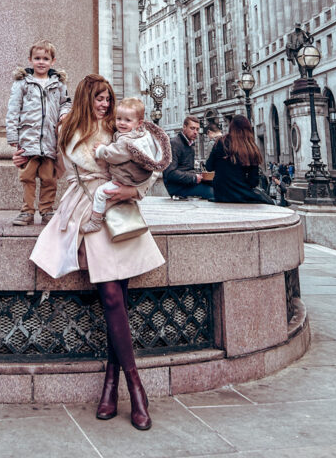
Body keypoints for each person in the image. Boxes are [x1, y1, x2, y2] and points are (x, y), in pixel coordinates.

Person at [30, 75, 163, 431]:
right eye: (99, 98)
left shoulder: (122, 128)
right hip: (87, 210)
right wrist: (23, 159)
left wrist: (133, 193)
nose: (105, 105)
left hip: (121, 212)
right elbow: (54, 169)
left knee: (120, 295)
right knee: (110, 294)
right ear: (86, 98)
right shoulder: (67, 129)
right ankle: (133, 388)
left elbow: (148, 166)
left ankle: (115, 384)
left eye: (108, 99)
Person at [82, 97, 171, 233]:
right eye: (119, 119)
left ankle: (95, 221)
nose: (122, 123)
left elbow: (113, 154)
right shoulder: (140, 135)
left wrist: (100, 150)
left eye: (127, 120)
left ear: (139, 123)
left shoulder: (127, 141)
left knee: (100, 193)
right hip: (133, 178)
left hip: (125, 178)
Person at [6, 40, 71, 226]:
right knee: (27, 177)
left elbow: (65, 103)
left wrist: (65, 113)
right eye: (37, 58)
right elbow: (13, 110)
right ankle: (26, 210)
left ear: (53, 61)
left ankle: (47, 210)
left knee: (49, 178)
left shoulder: (58, 84)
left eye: (45, 58)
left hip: (50, 140)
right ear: (30, 60)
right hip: (28, 139)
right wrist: (13, 136)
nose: (41, 62)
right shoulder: (23, 83)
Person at [204, 114, 264, 203]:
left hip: (221, 194)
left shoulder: (221, 142)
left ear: (231, 127)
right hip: (242, 194)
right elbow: (253, 182)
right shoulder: (251, 147)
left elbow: (209, 167)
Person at [163, 115, 214, 201]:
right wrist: (194, 178)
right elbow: (170, 173)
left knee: (219, 186)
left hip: (187, 184)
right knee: (212, 192)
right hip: (177, 188)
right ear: (184, 127)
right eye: (192, 128)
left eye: (197, 129)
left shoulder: (190, 144)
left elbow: (187, 169)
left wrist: (200, 175)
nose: (195, 132)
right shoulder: (174, 143)